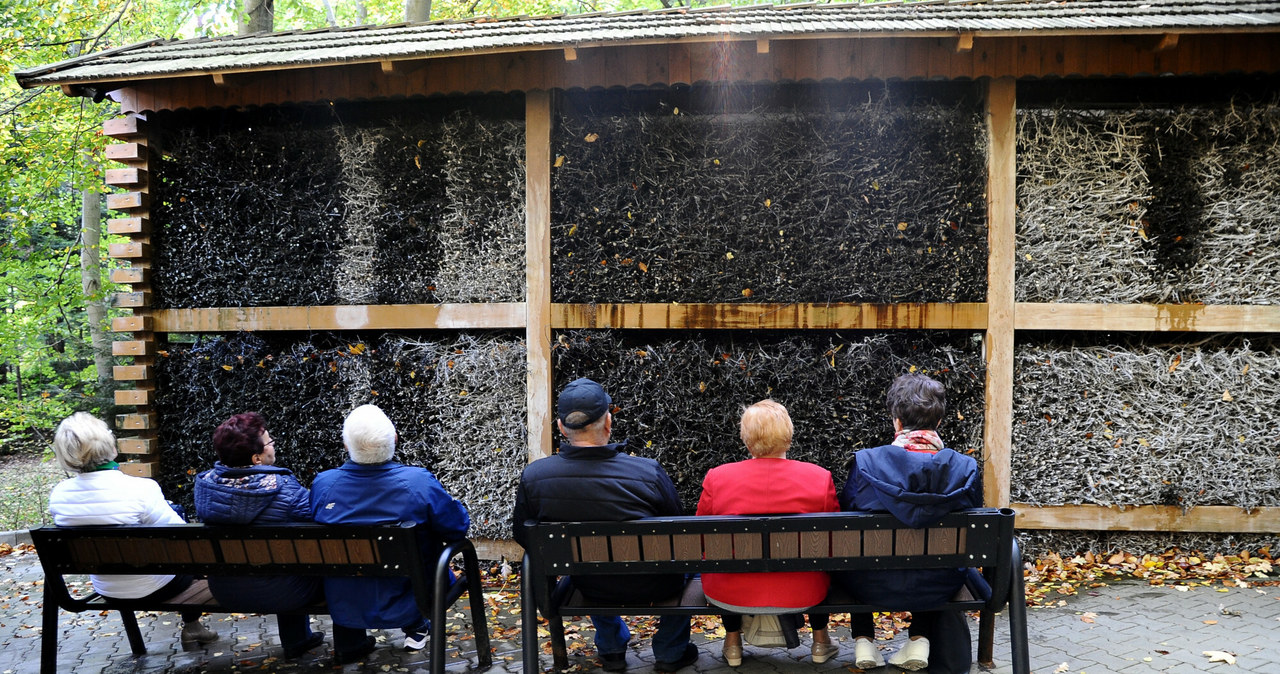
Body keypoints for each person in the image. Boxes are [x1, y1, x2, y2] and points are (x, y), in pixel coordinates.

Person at [511, 377, 698, 673]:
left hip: (590, 585)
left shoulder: (535, 477)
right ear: (608, 422)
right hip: (659, 584)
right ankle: (670, 650)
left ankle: (611, 647)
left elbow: (524, 536)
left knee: (587, 562)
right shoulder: (647, 472)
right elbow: (678, 530)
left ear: (561, 427)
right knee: (690, 558)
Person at [837, 373, 983, 673]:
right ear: (939, 422)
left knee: (852, 552)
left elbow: (844, 519)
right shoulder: (966, 469)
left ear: (897, 422)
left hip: (868, 585)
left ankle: (864, 640)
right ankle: (919, 639)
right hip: (940, 586)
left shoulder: (865, 463)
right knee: (931, 559)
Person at [310, 404, 470, 665]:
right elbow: (456, 528)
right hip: (413, 595)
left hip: (345, 599)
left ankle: (352, 643)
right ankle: (416, 626)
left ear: (346, 445)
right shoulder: (417, 482)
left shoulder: (324, 484)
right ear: (394, 439)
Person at [47, 412, 219, 648]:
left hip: (107, 589)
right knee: (188, 555)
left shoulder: (58, 495)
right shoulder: (141, 489)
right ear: (112, 448)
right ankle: (192, 625)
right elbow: (180, 536)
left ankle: (192, 628)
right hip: (157, 588)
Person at [695, 399, 839, 667]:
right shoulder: (819, 478)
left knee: (723, 560)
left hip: (731, 591)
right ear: (788, 435)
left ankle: (733, 643)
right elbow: (833, 539)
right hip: (803, 589)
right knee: (822, 562)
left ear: (746, 438)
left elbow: (701, 534)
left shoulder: (718, 478)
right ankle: (821, 641)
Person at [193, 412, 325, 659]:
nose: (273, 443)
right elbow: (319, 520)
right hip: (283, 592)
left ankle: (299, 639)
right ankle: (307, 640)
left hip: (225, 590)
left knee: (282, 564)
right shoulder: (284, 488)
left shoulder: (206, 487)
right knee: (306, 565)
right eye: (269, 441)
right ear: (256, 458)